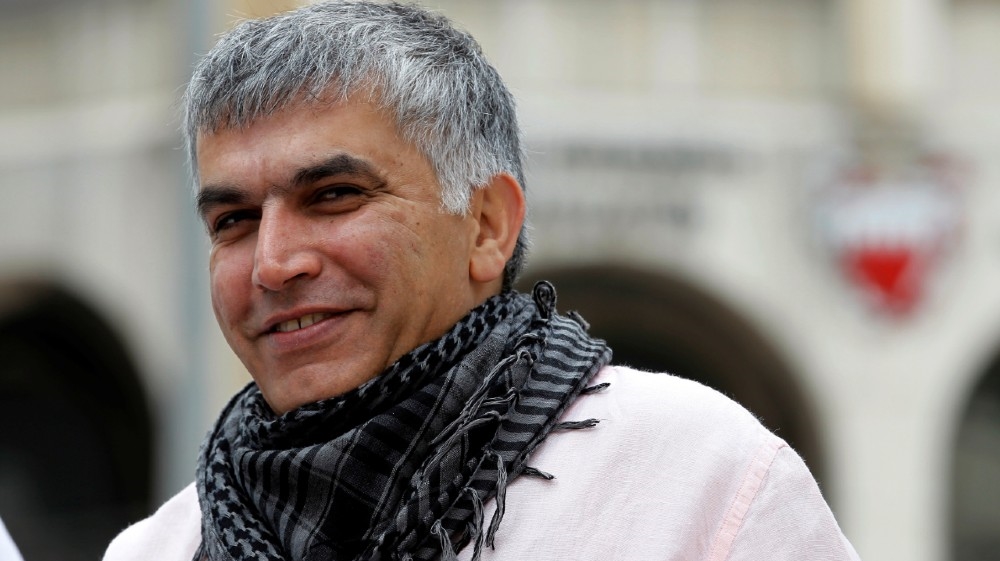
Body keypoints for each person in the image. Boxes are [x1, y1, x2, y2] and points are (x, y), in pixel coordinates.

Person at [105, 2, 861, 560]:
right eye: (233, 220)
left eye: (334, 195)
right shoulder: (156, 549)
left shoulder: (702, 481)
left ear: (488, 225)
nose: (273, 263)